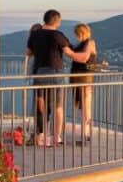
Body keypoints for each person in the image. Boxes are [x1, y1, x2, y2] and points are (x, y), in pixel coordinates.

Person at [25, 10, 92, 146]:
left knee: (41, 105)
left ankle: (41, 136)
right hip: (55, 72)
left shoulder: (35, 34)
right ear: (57, 21)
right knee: (58, 106)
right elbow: (70, 53)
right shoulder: (58, 35)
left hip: (39, 73)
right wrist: (85, 57)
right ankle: (56, 138)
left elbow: (28, 52)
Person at [70, 23, 98, 144]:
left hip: (84, 78)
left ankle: (86, 134)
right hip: (77, 77)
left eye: (77, 33)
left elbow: (85, 57)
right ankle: (84, 133)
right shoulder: (80, 44)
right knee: (81, 106)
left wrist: (70, 53)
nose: (76, 36)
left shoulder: (90, 43)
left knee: (85, 106)